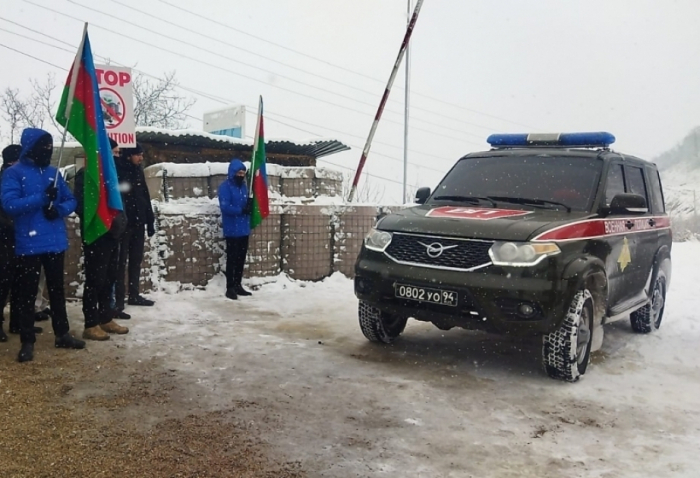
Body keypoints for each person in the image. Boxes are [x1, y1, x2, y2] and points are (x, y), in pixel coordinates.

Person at [0, 128, 85, 362]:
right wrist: (41, 198)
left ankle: (62, 333)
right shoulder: (14, 173)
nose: (47, 151)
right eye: (43, 146)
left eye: (50, 146)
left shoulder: (54, 173)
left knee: (58, 291)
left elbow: (71, 200)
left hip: (55, 241)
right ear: (30, 147)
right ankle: (27, 340)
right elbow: (9, 204)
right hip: (28, 242)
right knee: (27, 294)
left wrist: (58, 209)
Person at [74, 139, 129, 341]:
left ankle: (106, 318)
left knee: (109, 278)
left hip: (113, 235)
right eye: (114, 153)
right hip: (97, 235)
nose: (117, 157)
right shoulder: (86, 176)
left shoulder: (112, 177)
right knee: (95, 280)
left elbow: (120, 204)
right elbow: (80, 206)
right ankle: (91, 323)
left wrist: (120, 223)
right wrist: (100, 221)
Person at [114, 142, 155, 310]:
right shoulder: (120, 170)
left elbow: (145, 195)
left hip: (139, 222)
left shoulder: (139, 171)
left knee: (136, 260)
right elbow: (121, 195)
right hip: (126, 224)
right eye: (138, 154)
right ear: (130, 155)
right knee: (121, 261)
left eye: (142, 154)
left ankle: (134, 294)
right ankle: (118, 298)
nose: (141, 157)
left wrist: (150, 219)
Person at [218, 158, 253, 300]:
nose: (241, 175)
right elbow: (225, 207)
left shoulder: (244, 187)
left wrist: (250, 205)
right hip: (232, 229)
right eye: (238, 172)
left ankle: (238, 284)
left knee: (241, 259)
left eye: (243, 173)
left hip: (244, 228)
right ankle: (230, 287)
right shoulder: (225, 187)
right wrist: (241, 210)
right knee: (232, 259)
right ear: (232, 172)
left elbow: (245, 204)